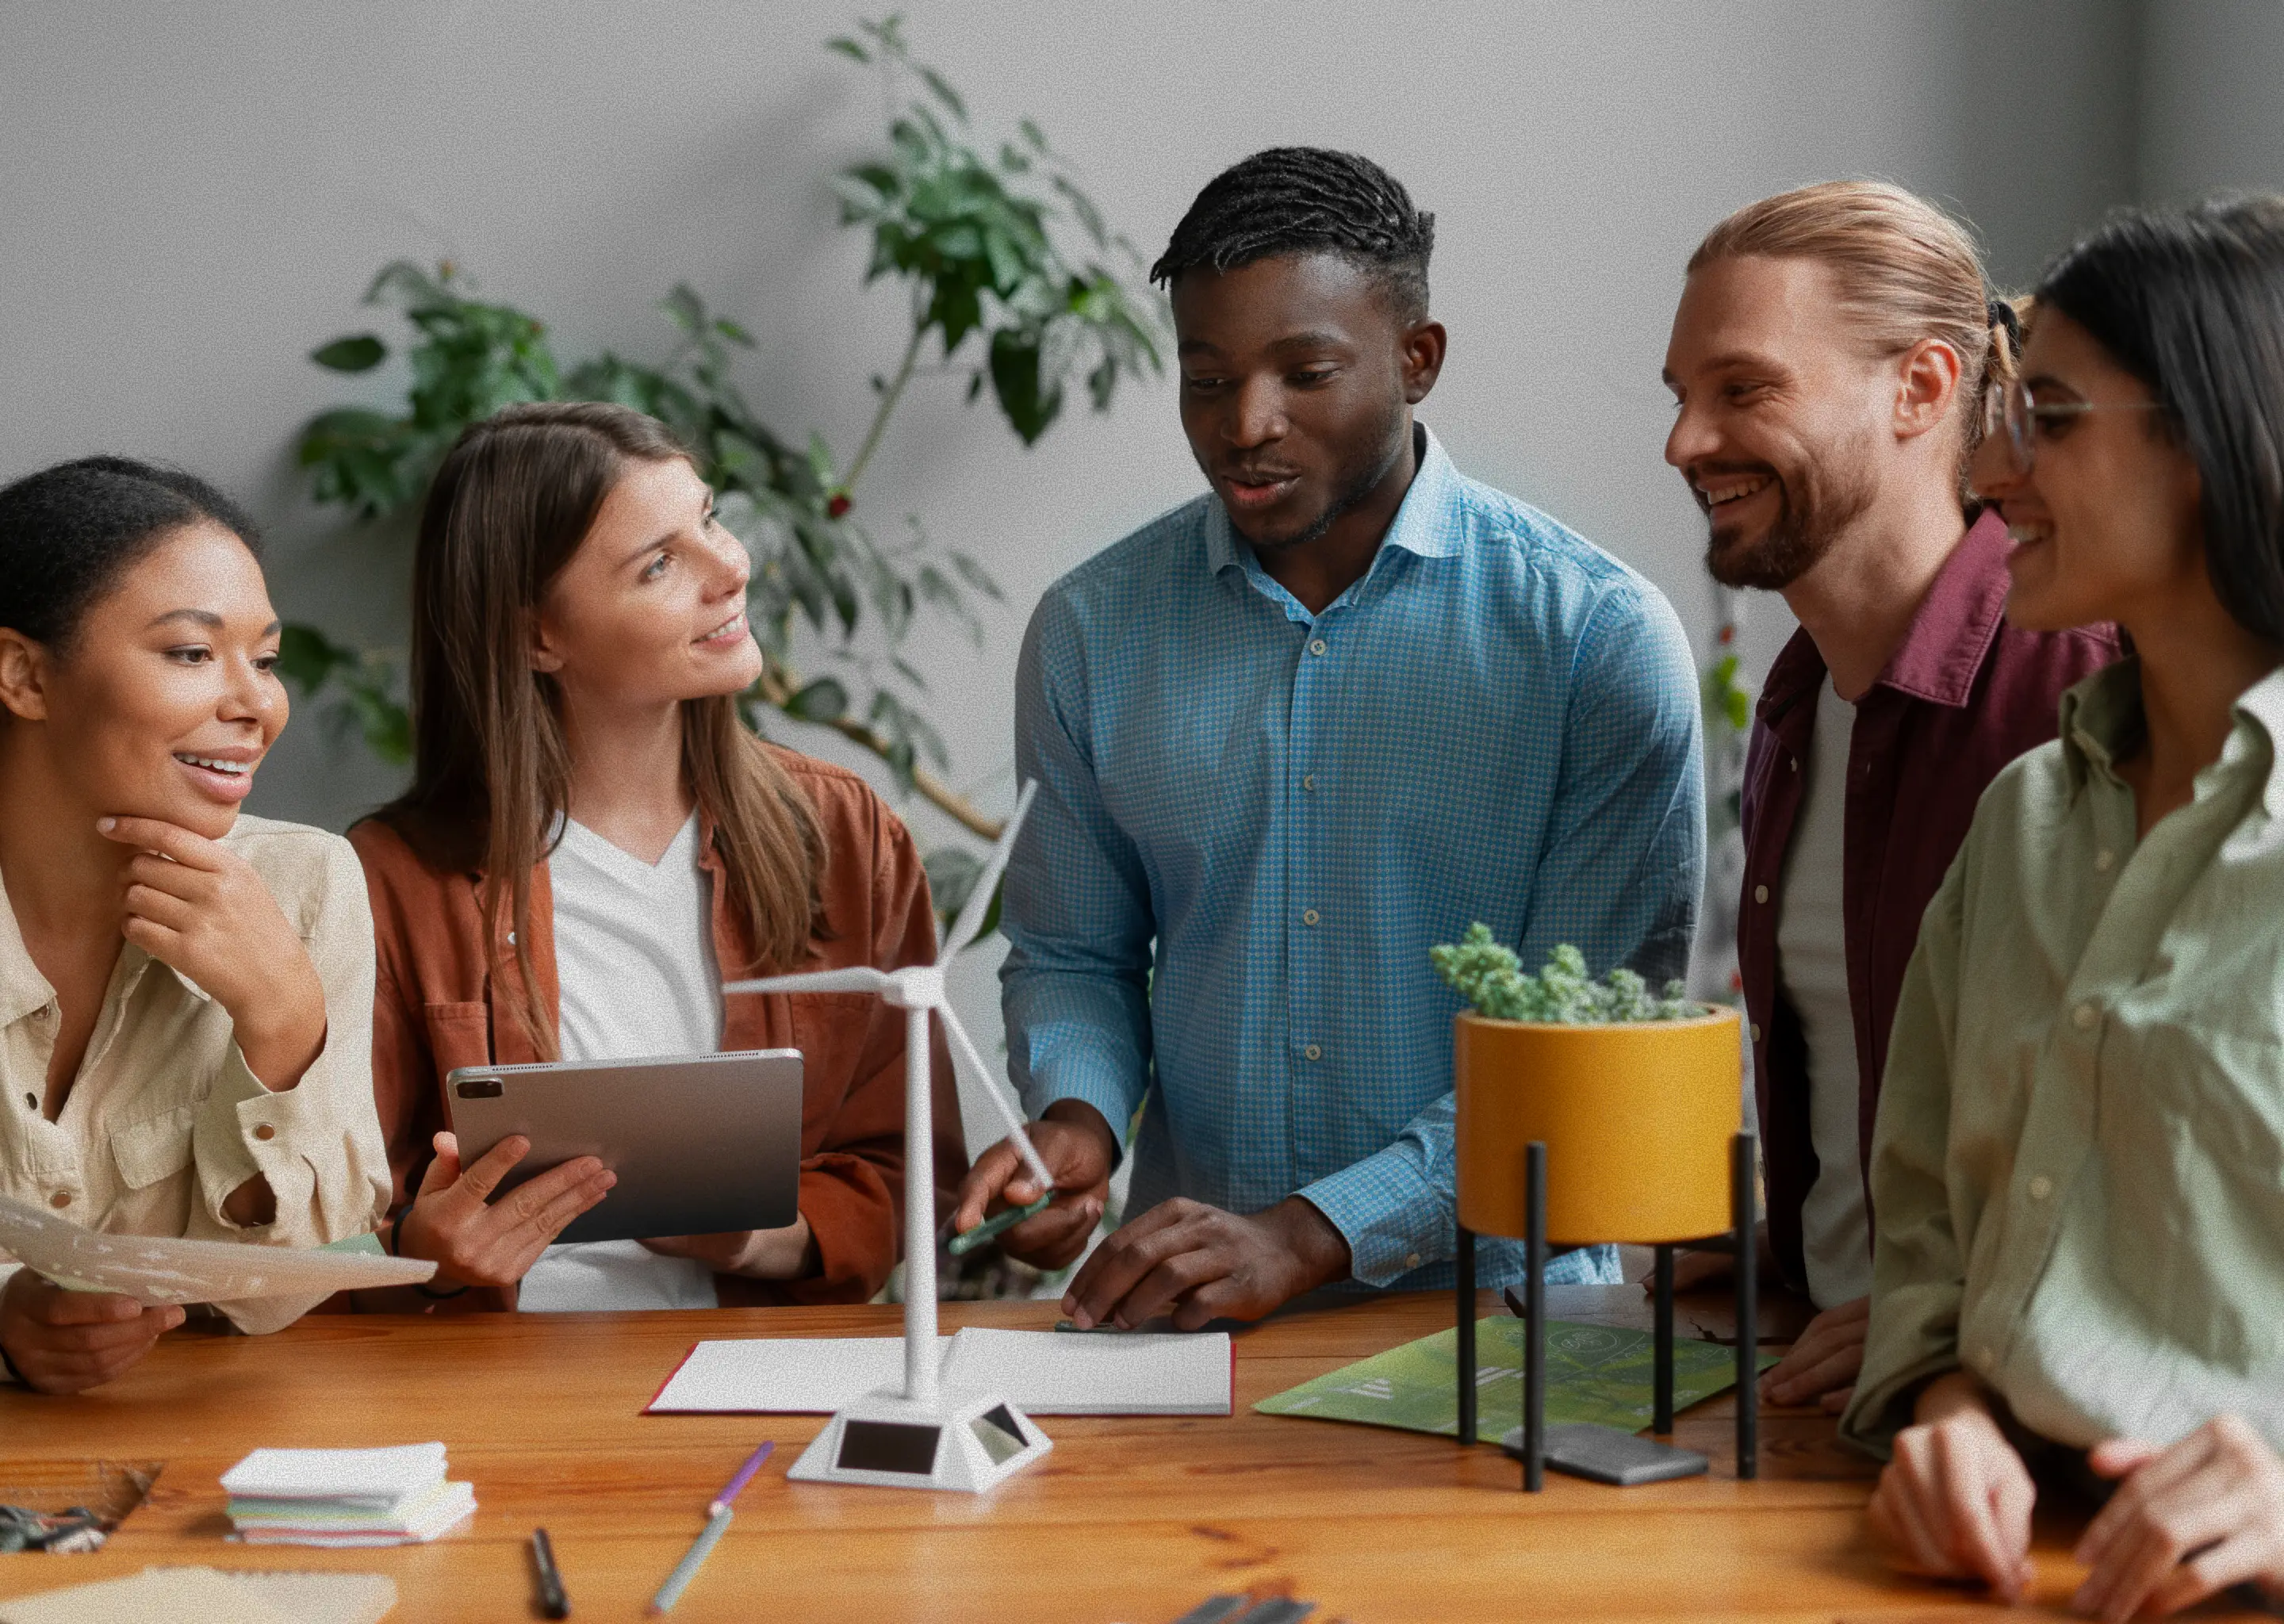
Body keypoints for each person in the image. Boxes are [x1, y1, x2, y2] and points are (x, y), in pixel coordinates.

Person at [954, 147, 1704, 1331]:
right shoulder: (1090, 631)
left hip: (1509, 1328)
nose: (1247, 425)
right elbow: (1074, 952)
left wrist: (1309, 1236)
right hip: (1196, 1325)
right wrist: (1078, 1126)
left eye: (1305, 373)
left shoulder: (1596, 642)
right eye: (1207, 380)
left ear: (1419, 360)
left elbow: (1578, 1045)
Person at [1843, 195, 2284, 1619]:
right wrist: (1951, 1407)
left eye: (2049, 415)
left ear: (2214, 438)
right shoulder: (2024, 819)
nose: (1989, 466)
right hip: (1990, 1577)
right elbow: (1924, 1222)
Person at [1660, 182, 2117, 1411]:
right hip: (1823, 1389)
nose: (1684, 442)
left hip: (2024, 1428)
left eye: (1743, 391)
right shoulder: (1799, 710)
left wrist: (1953, 1324)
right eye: (1682, 398)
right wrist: (1799, 1240)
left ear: (1922, 387)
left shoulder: (2091, 692)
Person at [354, 401, 963, 1311]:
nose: (732, 568)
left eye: (710, 519)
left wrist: (758, 1236)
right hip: (500, 1400)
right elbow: (319, 1227)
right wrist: (421, 1250)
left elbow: (910, 1168)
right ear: (535, 638)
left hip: (759, 1387)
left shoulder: (845, 834)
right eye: (661, 564)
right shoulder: (387, 883)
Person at [0, 458, 389, 1392]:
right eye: (190, 653)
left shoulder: (305, 883)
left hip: (190, 1453)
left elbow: (282, 1289)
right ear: (22, 674)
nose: (256, 704)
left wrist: (284, 1020)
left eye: (265, 659)